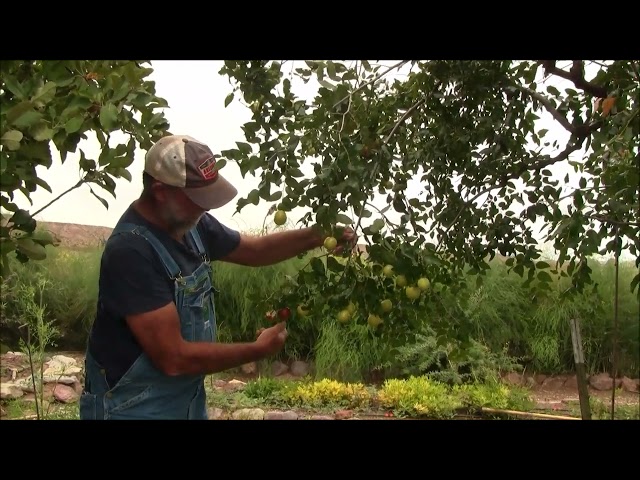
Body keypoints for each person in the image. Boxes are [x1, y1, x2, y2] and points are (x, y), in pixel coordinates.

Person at [80, 134, 356, 420]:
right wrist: (256, 350)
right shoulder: (131, 252)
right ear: (161, 191)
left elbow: (255, 251)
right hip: (133, 408)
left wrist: (318, 234)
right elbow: (173, 358)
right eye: (197, 199)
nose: (206, 207)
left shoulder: (191, 223)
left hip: (185, 400)